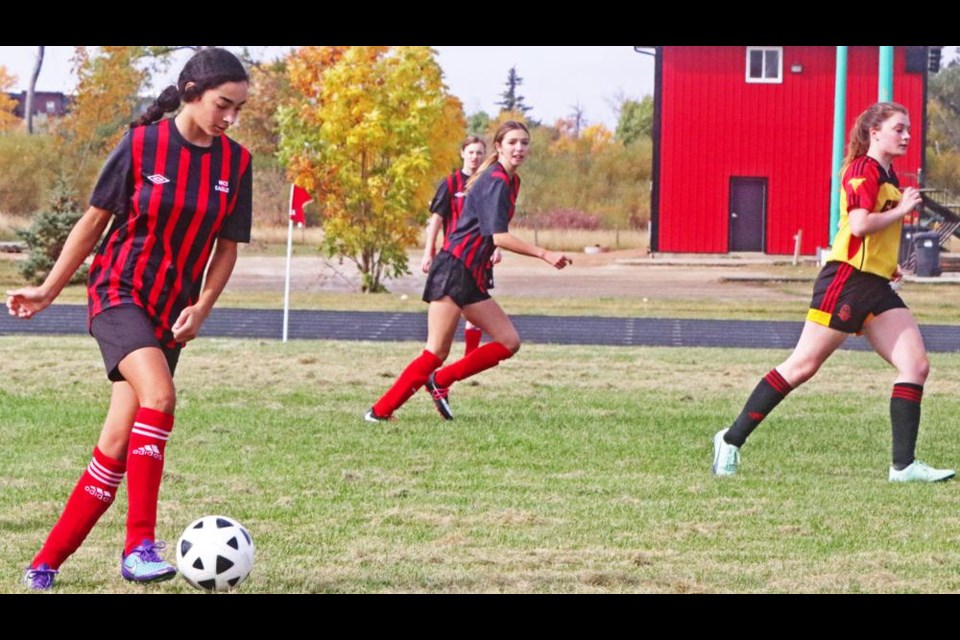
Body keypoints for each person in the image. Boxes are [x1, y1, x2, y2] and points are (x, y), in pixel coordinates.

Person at [9, 48, 253, 590]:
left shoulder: (237, 163)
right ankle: (139, 545)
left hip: (172, 313)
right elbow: (92, 224)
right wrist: (49, 290)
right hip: (119, 294)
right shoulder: (141, 145)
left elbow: (228, 248)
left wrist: (203, 307)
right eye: (222, 105)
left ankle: (43, 565)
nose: (230, 118)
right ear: (191, 92)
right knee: (160, 398)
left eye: (238, 109)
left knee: (116, 447)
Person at [712, 101, 955, 483]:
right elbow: (858, 226)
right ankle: (730, 439)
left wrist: (886, 263)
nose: (907, 135)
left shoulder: (886, 176)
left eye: (908, 129)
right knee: (803, 365)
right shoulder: (862, 170)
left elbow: (864, 233)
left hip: (874, 284)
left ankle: (903, 467)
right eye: (899, 128)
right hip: (846, 281)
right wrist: (902, 209)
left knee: (916, 366)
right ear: (875, 133)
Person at [366, 120, 571, 422]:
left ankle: (440, 380)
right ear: (499, 147)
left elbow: (489, 232)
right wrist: (544, 253)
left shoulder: (511, 181)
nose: (519, 148)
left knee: (508, 341)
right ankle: (379, 412)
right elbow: (498, 236)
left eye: (524, 143)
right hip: (453, 269)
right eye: (512, 142)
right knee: (435, 352)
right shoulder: (497, 180)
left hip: (471, 274)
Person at [420, 135, 501, 357]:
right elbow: (436, 219)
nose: (475, 157)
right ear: (463, 153)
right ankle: (434, 362)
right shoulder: (450, 184)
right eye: (471, 152)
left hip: (479, 257)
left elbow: (494, 221)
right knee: (450, 318)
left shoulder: (488, 185)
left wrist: (497, 247)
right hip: (453, 259)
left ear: (485, 156)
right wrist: (429, 252)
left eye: (479, 153)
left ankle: (468, 359)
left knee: (474, 311)